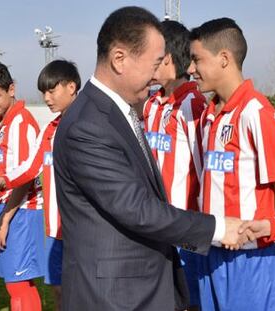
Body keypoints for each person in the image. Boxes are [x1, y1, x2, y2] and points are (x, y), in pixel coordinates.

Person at [53, 7, 247, 311]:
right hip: (115, 296)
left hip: (137, 287)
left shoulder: (115, 111)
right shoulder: (88, 125)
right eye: (154, 63)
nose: (157, 74)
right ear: (119, 59)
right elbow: (137, 208)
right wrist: (219, 229)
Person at [187, 18, 275, 311]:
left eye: (197, 59)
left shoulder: (256, 112)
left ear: (224, 58)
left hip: (251, 260)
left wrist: (263, 236)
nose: (190, 69)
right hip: (212, 252)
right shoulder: (210, 116)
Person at [0, 59, 81, 311]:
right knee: (59, 292)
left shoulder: (89, 124)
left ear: (71, 87)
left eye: (52, 90)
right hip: (54, 227)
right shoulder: (49, 129)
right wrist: (1, 182)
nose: (46, 98)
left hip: (83, 228)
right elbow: (30, 167)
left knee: (84, 293)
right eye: (43, 92)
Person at [142, 20, 206, 310]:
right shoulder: (152, 104)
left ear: (166, 57)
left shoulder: (192, 103)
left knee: (190, 300)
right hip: (155, 224)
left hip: (185, 227)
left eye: (150, 56)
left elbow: (206, 173)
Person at [0, 60, 44, 311]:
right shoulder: (4, 122)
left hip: (22, 211)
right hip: (8, 209)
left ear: (11, 89)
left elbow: (24, 178)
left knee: (19, 284)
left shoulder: (21, 123)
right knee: (15, 283)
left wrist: (3, 223)